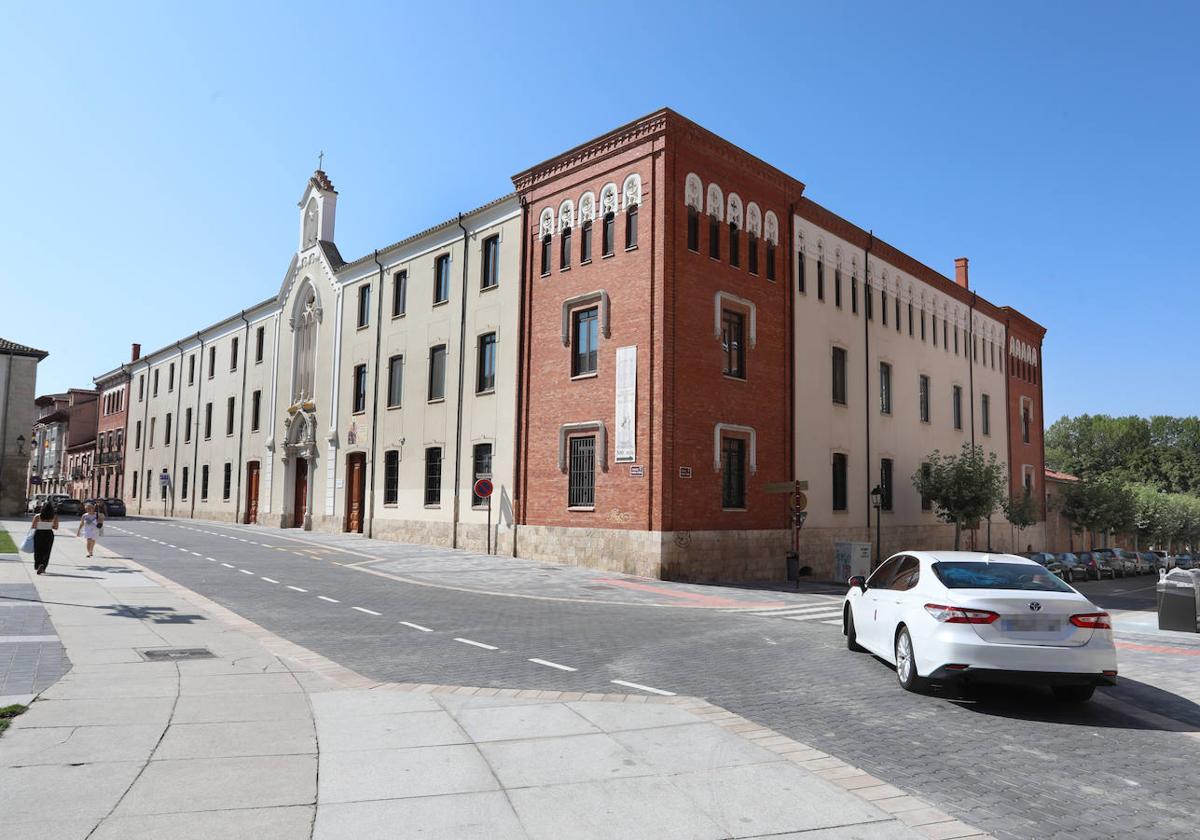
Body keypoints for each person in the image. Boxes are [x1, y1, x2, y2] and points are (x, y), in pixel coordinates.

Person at [31, 501, 59, 575]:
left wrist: (41, 525)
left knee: (38, 550)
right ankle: (43, 565)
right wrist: (49, 525)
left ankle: (38, 564)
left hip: (39, 533)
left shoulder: (38, 516)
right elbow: (56, 527)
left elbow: (33, 526)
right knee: (47, 551)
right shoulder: (54, 517)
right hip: (49, 534)